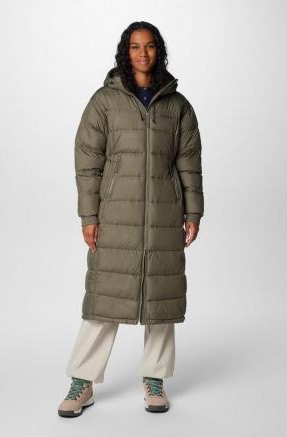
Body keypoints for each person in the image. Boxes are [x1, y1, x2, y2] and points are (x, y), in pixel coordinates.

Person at [58, 21, 204, 417]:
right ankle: (82, 381)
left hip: (163, 214)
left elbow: (188, 163)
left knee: (161, 298)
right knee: (104, 298)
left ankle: (155, 377)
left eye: (150, 46)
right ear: (126, 51)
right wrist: (89, 215)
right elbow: (88, 163)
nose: (143, 53)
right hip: (115, 216)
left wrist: (193, 211)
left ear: (159, 51)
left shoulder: (178, 106)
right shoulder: (104, 102)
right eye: (136, 47)